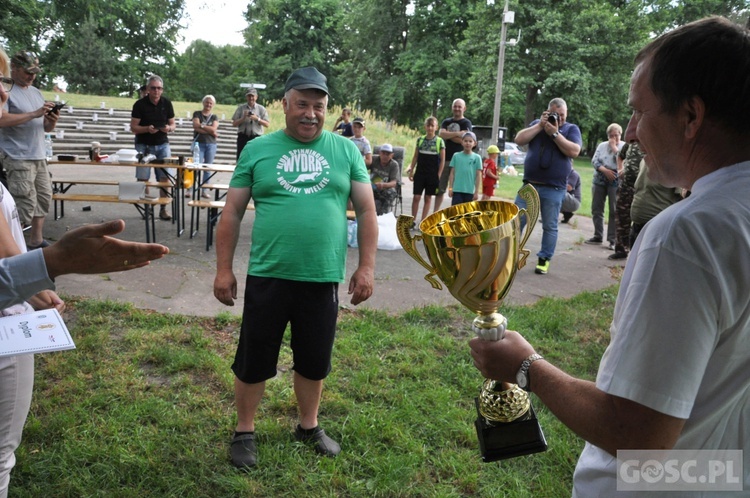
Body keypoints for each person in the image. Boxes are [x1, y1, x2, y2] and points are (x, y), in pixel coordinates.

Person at [469, 17, 750, 496]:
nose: (634, 134)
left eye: (641, 112)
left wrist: (525, 366)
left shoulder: (686, 236)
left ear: (691, 116)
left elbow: (638, 434)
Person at [213, 66, 377, 469]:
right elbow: (232, 211)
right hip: (268, 274)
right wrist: (223, 269)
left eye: (318, 106)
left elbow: (368, 209)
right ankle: (244, 430)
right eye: (301, 104)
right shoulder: (257, 150)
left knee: (314, 358)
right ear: (284, 105)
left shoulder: (346, 150)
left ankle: (308, 426)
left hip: (321, 276)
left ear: (327, 109)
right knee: (254, 357)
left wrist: (366, 267)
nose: (310, 113)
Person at [514, 98, 582, 275]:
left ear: (566, 115)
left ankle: (544, 260)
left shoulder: (570, 129)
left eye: (561, 115)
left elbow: (574, 151)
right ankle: (511, 256)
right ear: (546, 112)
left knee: (549, 226)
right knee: (516, 221)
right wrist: (539, 126)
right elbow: (519, 139)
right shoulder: (537, 125)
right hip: (530, 185)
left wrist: (555, 133)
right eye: (554, 114)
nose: (558, 118)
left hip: (554, 188)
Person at [0, 51, 59, 250]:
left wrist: (51, 121)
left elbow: (43, 127)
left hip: (39, 153)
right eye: (27, 72)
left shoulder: (36, 92)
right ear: (14, 69)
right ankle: (13, 247)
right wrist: (34, 113)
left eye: (34, 72)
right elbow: (2, 119)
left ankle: (36, 240)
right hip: (18, 156)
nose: (32, 76)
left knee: (43, 197)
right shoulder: (6, 90)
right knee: (24, 203)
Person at [129, 75, 175, 221]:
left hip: (162, 144)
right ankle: (147, 209)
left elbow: (173, 124)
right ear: (148, 89)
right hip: (143, 144)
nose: (156, 91)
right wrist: (147, 129)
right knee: (143, 178)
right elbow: (133, 127)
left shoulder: (167, 103)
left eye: (159, 88)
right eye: (153, 88)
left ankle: (163, 208)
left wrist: (169, 128)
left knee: (164, 177)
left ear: (162, 90)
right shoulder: (139, 105)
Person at [586, 123, 624, 250]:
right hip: (600, 179)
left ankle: (613, 239)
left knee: (614, 210)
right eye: (611, 136)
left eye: (616, 135)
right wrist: (604, 170)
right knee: (597, 208)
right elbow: (594, 160)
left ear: (620, 135)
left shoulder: (624, 146)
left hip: (615, 181)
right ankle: (598, 235)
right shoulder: (602, 146)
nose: (613, 138)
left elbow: (623, 160)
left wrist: (614, 148)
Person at [629, 159, 683, 245]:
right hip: (648, 223)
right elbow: (681, 197)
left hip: (650, 223)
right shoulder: (646, 160)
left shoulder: (646, 159)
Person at [608, 142, 645, 260]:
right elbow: (620, 155)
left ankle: (638, 253)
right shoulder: (631, 142)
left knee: (641, 221)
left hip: (643, 189)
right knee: (621, 218)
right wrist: (620, 169)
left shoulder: (652, 141)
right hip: (626, 186)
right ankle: (621, 249)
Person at [434, 99, 472, 211]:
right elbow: (441, 134)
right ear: (452, 107)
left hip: (460, 161)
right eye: (455, 106)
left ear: (464, 108)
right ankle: (434, 214)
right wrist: (457, 134)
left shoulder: (467, 123)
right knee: (440, 189)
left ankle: (455, 215)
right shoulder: (446, 121)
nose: (457, 108)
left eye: (459, 106)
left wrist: (449, 135)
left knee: (456, 190)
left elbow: (465, 140)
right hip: (445, 159)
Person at [406, 116, 445, 226]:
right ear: (425, 127)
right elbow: (415, 157)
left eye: (432, 126)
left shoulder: (439, 141)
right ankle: (412, 220)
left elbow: (442, 160)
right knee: (416, 196)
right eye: (428, 125)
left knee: (428, 197)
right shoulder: (420, 140)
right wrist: (411, 170)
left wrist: (438, 175)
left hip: (432, 174)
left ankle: (423, 221)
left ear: (436, 127)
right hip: (420, 173)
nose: (430, 128)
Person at [192, 95, 219, 199]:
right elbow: (195, 126)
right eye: (207, 102)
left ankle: (204, 190)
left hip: (211, 144)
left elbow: (214, 128)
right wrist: (209, 130)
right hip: (198, 143)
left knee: (207, 168)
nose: (208, 104)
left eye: (211, 103)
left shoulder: (214, 116)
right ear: (203, 103)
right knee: (196, 166)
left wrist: (202, 126)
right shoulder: (197, 113)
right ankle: (191, 189)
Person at [231, 88, 270, 160]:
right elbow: (234, 124)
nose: (251, 98)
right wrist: (243, 118)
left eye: (252, 96)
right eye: (249, 96)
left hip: (256, 137)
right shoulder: (241, 108)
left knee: (256, 157)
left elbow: (267, 124)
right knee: (241, 158)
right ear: (246, 97)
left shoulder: (261, 109)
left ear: (256, 97)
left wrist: (257, 119)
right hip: (243, 136)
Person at [447, 132, 482, 205]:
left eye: (470, 141)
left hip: (469, 191)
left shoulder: (477, 158)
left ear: (474, 143)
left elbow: (478, 175)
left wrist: (476, 192)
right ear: (462, 142)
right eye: (465, 141)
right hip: (457, 190)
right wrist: (450, 188)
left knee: (467, 214)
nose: (468, 143)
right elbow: (452, 173)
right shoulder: (456, 156)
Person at [369, 143, 399, 215]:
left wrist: (383, 185)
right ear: (379, 153)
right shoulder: (373, 159)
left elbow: (393, 182)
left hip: (385, 189)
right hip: (372, 187)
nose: (385, 156)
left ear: (392, 155)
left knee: (391, 192)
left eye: (388, 154)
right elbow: (361, 168)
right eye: (383, 153)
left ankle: (383, 214)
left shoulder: (394, 165)